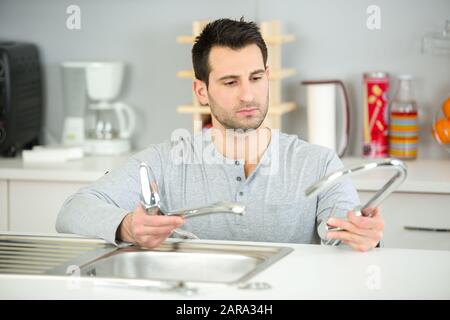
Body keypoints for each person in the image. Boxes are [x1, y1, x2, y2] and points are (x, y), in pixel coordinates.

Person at [56, 18, 384, 252]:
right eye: (230, 82)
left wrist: (364, 235)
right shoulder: (164, 161)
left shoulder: (319, 163)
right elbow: (73, 210)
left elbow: (345, 235)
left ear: (268, 76)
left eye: (256, 78)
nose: (248, 95)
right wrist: (127, 226)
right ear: (201, 90)